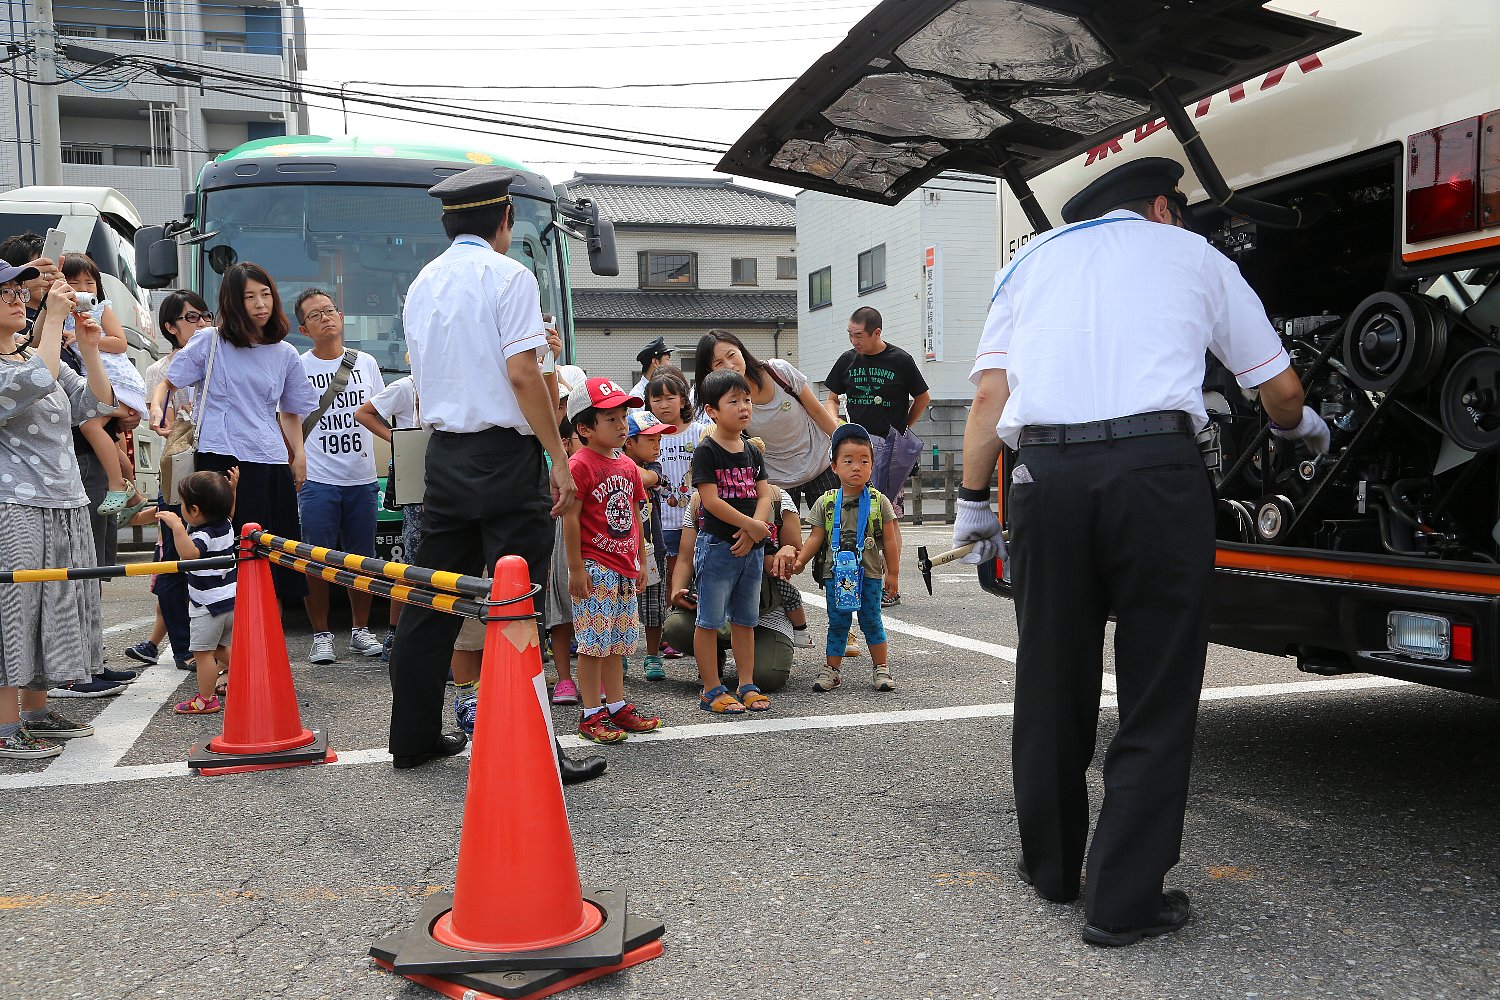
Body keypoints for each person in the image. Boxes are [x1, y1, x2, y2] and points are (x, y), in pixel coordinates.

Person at [953, 157, 1330, 946]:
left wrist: (968, 503)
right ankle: (1123, 901)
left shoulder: (1027, 262)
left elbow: (990, 396)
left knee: (1051, 673)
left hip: (1044, 478)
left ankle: (1053, 870)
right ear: (1162, 207)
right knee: (1156, 684)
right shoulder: (1193, 254)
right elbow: (1281, 391)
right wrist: (1302, 431)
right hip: (1156, 475)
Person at [386, 165, 602, 783]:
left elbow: (425, 378)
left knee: (434, 600)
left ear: (451, 221)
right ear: (504, 219)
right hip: (506, 458)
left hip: (446, 453)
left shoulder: (422, 283)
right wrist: (558, 457)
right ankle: (536, 748)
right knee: (517, 603)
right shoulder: (511, 276)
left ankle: (415, 736)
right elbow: (522, 374)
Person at [1, 236, 137, 696]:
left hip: (66, 496)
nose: (17, 300)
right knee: (18, 611)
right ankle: (6, 726)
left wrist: (90, 346)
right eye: (5, 293)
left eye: (19, 292)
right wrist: (54, 317)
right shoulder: (21, 362)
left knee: (60, 609)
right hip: (17, 503)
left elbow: (96, 402)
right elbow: (32, 382)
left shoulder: (32, 353)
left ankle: (38, 709)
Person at [156, 262, 319, 606]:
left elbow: (291, 411)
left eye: (265, 295)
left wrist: (299, 455)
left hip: (271, 460)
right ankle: (222, 642)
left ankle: (259, 636)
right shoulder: (209, 341)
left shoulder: (285, 352)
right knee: (226, 552)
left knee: (271, 554)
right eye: (249, 297)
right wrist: (157, 409)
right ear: (232, 301)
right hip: (221, 456)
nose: (261, 304)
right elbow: (168, 383)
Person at [563, 378, 664, 743]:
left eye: (624, 416)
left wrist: (638, 560)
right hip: (593, 566)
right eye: (612, 419)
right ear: (585, 428)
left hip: (623, 566)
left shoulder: (625, 464)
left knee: (618, 642)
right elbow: (570, 517)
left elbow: (636, 514)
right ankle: (591, 713)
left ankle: (617, 705)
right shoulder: (580, 465)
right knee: (593, 643)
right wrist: (575, 568)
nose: (623, 425)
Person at [292, 288, 387, 664]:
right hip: (317, 481)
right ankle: (321, 634)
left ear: (341, 317)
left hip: (362, 479)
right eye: (315, 315)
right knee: (316, 561)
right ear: (304, 328)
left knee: (362, 559)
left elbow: (379, 411)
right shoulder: (298, 366)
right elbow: (290, 419)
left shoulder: (366, 362)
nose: (325, 318)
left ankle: (360, 631)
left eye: (329, 310)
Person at [125, 290, 214, 673]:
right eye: (192, 318)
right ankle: (184, 649)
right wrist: (179, 422)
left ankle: (218, 644)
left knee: (218, 553)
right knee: (174, 564)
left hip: (215, 464)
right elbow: (157, 424)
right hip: (179, 469)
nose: (202, 323)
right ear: (170, 327)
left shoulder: (219, 354)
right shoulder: (158, 372)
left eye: (205, 315)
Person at [824, 306, 929, 607]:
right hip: (856, 445)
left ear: (876, 333)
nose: (854, 341)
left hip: (889, 449)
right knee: (853, 513)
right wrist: (836, 424)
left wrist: (904, 427)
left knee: (887, 517)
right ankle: (855, 576)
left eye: (859, 336)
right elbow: (831, 397)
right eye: (850, 335)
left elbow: (923, 397)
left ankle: (889, 583)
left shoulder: (900, 360)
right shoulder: (847, 360)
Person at [688, 368, 775, 715]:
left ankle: (746, 683)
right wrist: (749, 526)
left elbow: (764, 492)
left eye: (748, 400)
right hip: (717, 546)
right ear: (711, 410)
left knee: (745, 619)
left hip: (751, 549)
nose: (744, 407)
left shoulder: (752, 451)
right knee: (708, 620)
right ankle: (710, 687)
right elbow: (709, 501)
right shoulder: (707, 451)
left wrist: (757, 527)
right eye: (734, 401)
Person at [665, 484, 802, 693]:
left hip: (765, 611)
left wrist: (787, 551)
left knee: (766, 677)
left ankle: (749, 673)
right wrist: (677, 591)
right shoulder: (699, 500)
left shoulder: (776, 497)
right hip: (715, 603)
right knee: (676, 627)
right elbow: (685, 558)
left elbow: (797, 555)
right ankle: (714, 656)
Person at [794, 423, 899, 693]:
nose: (856, 467)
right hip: (835, 575)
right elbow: (816, 537)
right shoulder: (826, 502)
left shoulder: (879, 501)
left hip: (870, 575)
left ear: (872, 466)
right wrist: (800, 561)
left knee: (871, 619)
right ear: (834, 467)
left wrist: (894, 575)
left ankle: (881, 668)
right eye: (848, 461)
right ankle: (832, 670)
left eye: (864, 461)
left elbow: (890, 540)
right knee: (838, 622)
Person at [693, 329, 841, 511]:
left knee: (837, 531)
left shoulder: (778, 371)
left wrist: (844, 441)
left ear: (741, 350)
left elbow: (817, 411)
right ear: (710, 370)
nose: (730, 365)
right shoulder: (719, 403)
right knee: (786, 539)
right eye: (719, 363)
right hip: (777, 481)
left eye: (732, 355)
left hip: (821, 462)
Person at [59, 253, 152, 524]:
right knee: (112, 442)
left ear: (98, 286)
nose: (83, 289)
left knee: (90, 426)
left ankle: (116, 486)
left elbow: (120, 343)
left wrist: (86, 339)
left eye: (89, 283)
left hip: (117, 382)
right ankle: (133, 498)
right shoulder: (60, 313)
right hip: (97, 385)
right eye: (74, 282)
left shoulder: (101, 309)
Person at [354, 361, 422, 661]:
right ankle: (395, 636)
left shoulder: (452, 383)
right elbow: (363, 413)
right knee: (412, 562)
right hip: (415, 478)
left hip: (447, 476)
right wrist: (397, 438)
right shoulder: (406, 386)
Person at [155, 470, 238, 715]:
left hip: (207, 605)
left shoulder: (202, 534)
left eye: (182, 504)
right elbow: (229, 511)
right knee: (220, 648)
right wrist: (232, 492)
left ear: (194, 510)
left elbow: (189, 555)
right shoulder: (226, 525)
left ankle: (205, 699)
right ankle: (253, 674)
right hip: (229, 601)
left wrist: (177, 527)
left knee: (202, 653)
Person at [621, 410, 673, 680]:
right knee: (622, 606)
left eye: (659, 440)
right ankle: (621, 655)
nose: (657, 446)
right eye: (650, 439)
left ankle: (652, 656)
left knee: (654, 607)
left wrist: (616, 463)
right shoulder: (620, 465)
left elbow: (649, 479)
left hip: (653, 549)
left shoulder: (653, 467)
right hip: (620, 549)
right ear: (629, 442)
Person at [629, 335, 672, 399]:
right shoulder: (638, 394)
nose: (670, 364)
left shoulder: (667, 387)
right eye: (667, 360)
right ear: (655, 362)